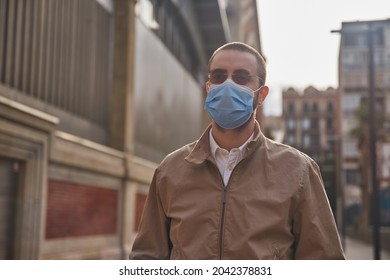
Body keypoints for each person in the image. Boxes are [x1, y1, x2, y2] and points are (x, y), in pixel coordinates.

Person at [129, 42, 345, 260]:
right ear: (208, 88)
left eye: (241, 77)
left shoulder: (297, 171)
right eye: (219, 76)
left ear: (261, 95)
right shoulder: (171, 170)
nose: (227, 85)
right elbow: (147, 258)